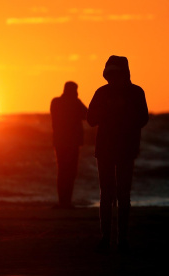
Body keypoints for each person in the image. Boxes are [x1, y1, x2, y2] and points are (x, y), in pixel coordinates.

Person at [87, 55, 148, 254]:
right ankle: (106, 238)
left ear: (125, 73)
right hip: (105, 149)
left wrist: (124, 110)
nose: (113, 79)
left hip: (126, 149)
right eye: (110, 75)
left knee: (123, 194)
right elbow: (90, 119)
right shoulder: (102, 92)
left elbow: (143, 119)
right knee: (107, 194)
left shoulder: (136, 92)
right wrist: (108, 110)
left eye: (117, 74)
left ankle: (122, 238)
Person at [50, 81, 88, 209]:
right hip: (71, 143)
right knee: (70, 173)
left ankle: (63, 201)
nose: (77, 93)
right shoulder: (74, 103)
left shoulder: (55, 102)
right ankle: (65, 202)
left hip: (60, 143)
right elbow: (88, 116)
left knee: (62, 172)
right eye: (76, 90)